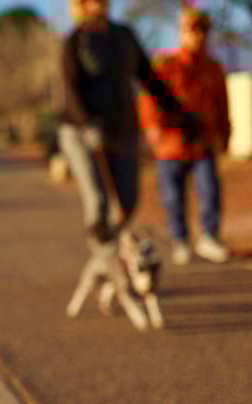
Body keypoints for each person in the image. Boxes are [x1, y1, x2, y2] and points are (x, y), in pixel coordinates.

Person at [59, 0, 202, 245]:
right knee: (98, 203)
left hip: (122, 130)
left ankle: (113, 259)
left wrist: (179, 112)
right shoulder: (75, 42)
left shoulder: (123, 36)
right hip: (84, 133)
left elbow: (148, 78)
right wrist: (87, 123)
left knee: (128, 202)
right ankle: (111, 267)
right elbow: (70, 91)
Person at [140, 8, 232, 264]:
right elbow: (149, 97)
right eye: (192, 30)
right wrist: (152, 126)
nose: (198, 36)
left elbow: (222, 104)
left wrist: (225, 133)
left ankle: (209, 237)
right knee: (172, 197)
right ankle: (180, 240)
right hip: (171, 143)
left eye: (202, 31)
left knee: (210, 190)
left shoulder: (213, 68)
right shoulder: (166, 65)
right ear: (181, 33)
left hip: (202, 142)